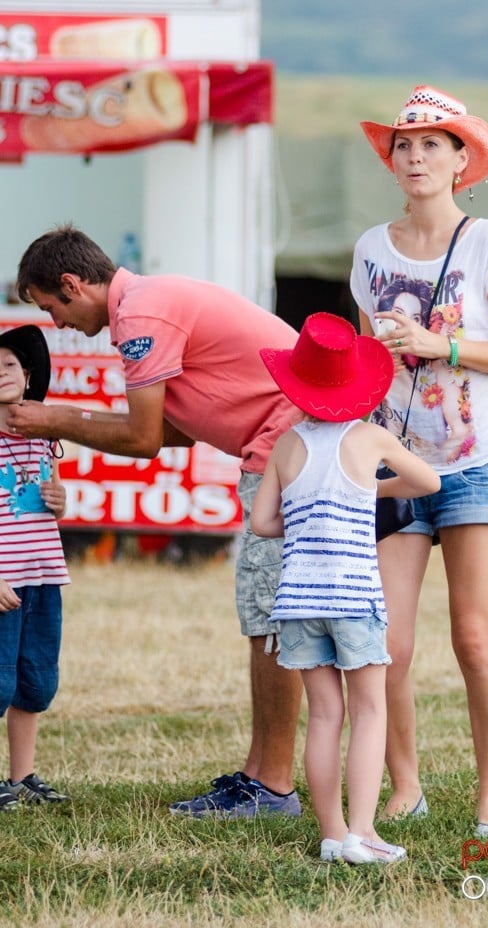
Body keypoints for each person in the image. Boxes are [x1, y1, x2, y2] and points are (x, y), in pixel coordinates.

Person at [9, 225, 305, 818]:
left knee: (272, 621)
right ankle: (259, 776)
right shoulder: (144, 305)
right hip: (283, 446)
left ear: (71, 284)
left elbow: (145, 440)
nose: (58, 324)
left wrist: (52, 419)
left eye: (51, 308)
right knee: (263, 619)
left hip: (285, 449)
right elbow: (174, 431)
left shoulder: (142, 316)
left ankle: (273, 788)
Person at [350, 84, 488, 837]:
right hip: (393, 463)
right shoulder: (369, 248)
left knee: (475, 637)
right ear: (391, 159)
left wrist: (444, 345)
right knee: (387, 643)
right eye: (404, 143)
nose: (416, 155)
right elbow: (365, 363)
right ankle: (405, 785)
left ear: (463, 160)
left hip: (473, 464)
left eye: (433, 143)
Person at [250, 312, 441, 862]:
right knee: (369, 712)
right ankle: (364, 832)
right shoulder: (370, 439)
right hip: (355, 597)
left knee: (325, 716)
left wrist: (307, 514)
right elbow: (427, 481)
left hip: (299, 602)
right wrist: (374, 493)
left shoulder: (286, 445)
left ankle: (332, 836)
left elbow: (262, 523)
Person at [0, 325, 70, 810]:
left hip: (43, 575)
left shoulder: (45, 438)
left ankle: (21, 776)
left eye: (7, 365)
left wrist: (61, 499)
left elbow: (57, 502)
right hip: (2, 582)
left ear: (27, 376)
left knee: (34, 678)